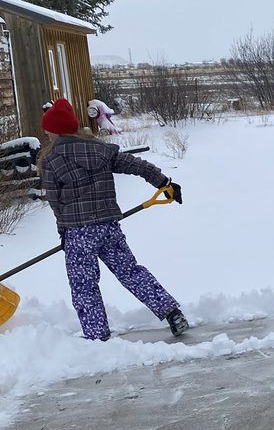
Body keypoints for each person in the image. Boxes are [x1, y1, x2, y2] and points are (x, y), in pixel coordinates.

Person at [38, 98, 189, 341]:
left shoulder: (52, 160)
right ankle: (172, 312)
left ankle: (97, 337)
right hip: (108, 227)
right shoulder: (101, 150)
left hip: (78, 233)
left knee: (84, 285)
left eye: (47, 129)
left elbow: (55, 202)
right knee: (131, 272)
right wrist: (164, 182)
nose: (46, 133)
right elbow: (135, 164)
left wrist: (63, 232)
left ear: (55, 131)